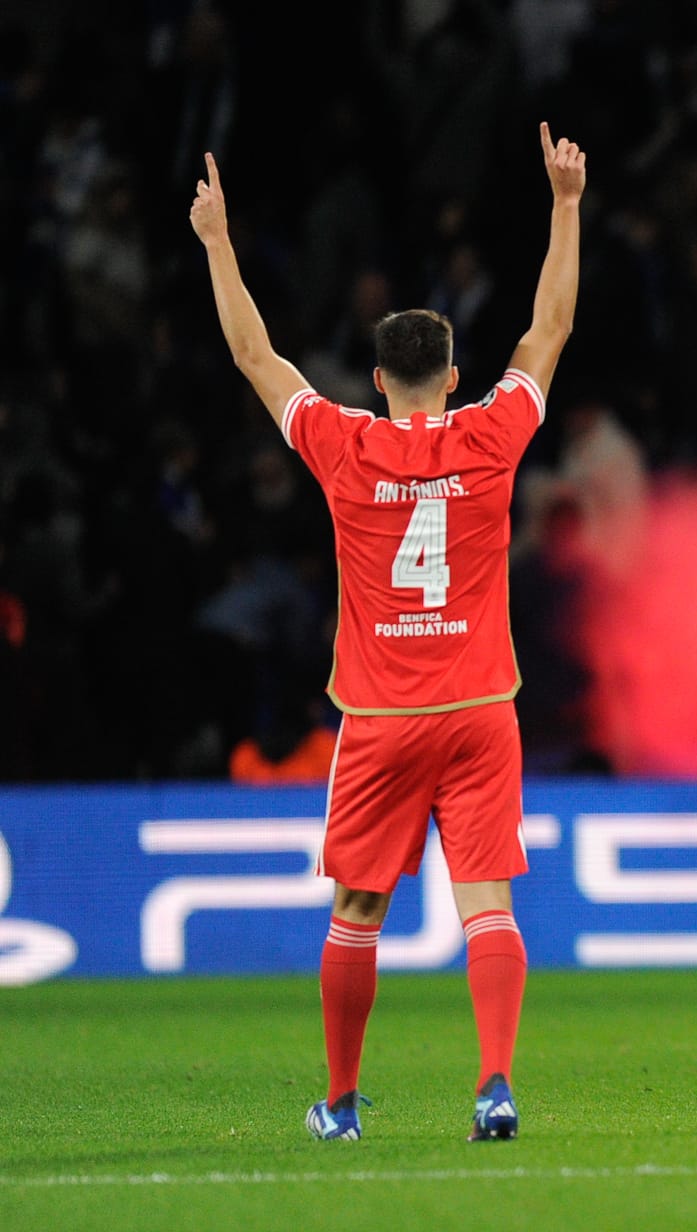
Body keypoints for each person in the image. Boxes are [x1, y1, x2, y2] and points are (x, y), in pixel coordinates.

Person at [189, 123, 586, 1141]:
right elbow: (547, 331)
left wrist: (218, 242)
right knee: (488, 906)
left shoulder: (341, 442)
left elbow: (250, 353)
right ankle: (494, 1083)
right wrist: (566, 205)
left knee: (357, 911)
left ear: (379, 378)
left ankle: (343, 1102)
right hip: (480, 706)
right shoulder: (494, 433)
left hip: (380, 715)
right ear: (452, 376)